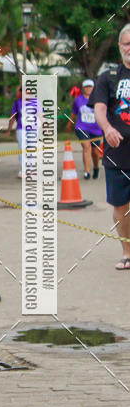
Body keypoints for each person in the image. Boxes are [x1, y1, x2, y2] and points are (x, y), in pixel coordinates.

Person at [89, 25, 130, 270]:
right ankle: (127, 252)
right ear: (119, 47)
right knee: (120, 206)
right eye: (126, 44)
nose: (129, 49)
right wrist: (107, 129)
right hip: (117, 154)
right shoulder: (109, 76)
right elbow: (100, 108)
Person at [66, 79, 102, 179]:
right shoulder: (78, 99)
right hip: (82, 127)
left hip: (96, 128)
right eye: (86, 87)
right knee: (86, 147)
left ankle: (96, 168)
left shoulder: (99, 99)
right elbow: (74, 113)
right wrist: (69, 124)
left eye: (90, 87)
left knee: (95, 151)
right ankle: (87, 171)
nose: (88, 89)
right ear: (83, 88)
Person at [8, 85, 24, 178]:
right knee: (22, 149)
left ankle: (31, 169)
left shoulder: (35, 102)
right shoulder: (17, 103)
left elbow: (40, 115)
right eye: (18, 91)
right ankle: (23, 170)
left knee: (32, 150)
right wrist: (9, 129)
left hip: (33, 130)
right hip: (21, 129)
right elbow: (12, 117)